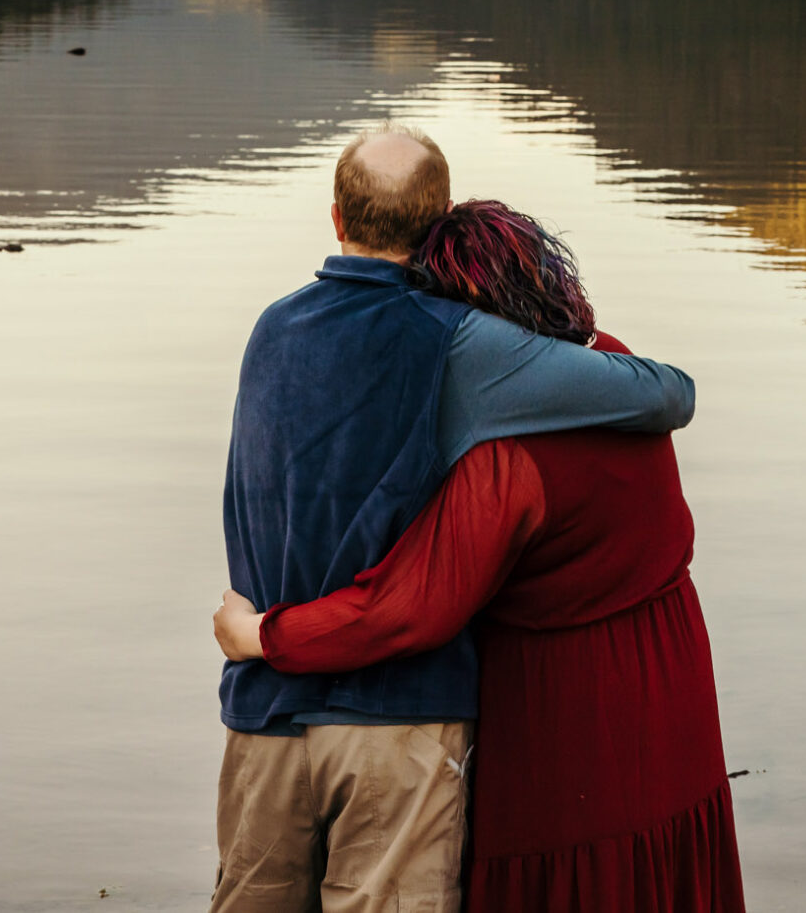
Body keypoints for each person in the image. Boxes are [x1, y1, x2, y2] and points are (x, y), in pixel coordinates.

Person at [215, 126, 698, 913]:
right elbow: (666, 394)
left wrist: (258, 635)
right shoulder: (462, 347)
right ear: (440, 218)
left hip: (262, 717)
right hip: (397, 724)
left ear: (336, 218)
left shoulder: (271, 329)